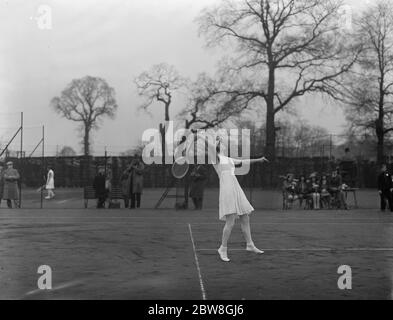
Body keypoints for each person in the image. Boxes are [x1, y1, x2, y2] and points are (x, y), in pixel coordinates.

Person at [213, 138, 268, 262]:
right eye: (220, 144)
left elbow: (245, 161)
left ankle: (250, 245)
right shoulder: (216, 159)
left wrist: (259, 159)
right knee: (230, 222)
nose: (223, 145)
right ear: (217, 147)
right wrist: (203, 138)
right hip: (227, 191)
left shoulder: (229, 159)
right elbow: (211, 149)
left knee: (245, 217)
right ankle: (223, 248)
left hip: (236, 189)